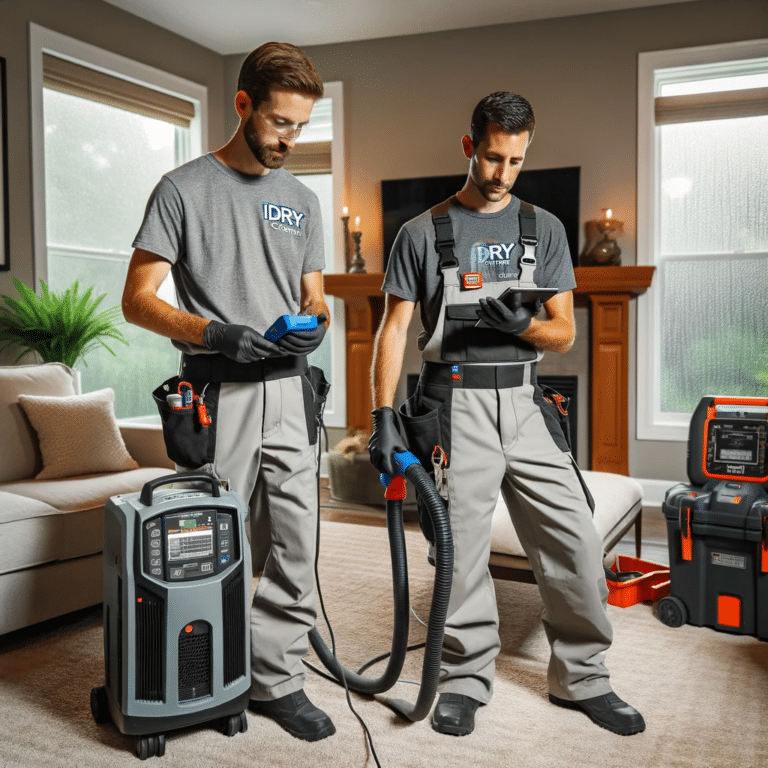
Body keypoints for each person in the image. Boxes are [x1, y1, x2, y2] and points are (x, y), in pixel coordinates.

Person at [369, 92, 645, 738]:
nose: (502, 174)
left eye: (515, 162)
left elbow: (564, 335)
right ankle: (465, 678)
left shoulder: (542, 228)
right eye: (493, 158)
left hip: (523, 402)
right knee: (460, 551)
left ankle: (583, 678)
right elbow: (393, 328)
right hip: (453, 403)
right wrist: (382, 415)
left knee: (573, 538)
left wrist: (522, 324)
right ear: (470, 147)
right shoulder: (422, 232)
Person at [122, 42, 335, 742]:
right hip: (220, 392)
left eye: (300, 127)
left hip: (289, 390)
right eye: (278, 123)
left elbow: (317, 299)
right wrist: (212, 334)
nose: (288, 140)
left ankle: (277, 679)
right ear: (242, 104)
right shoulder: (182, 189)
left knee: (298, 541)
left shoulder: (302, 200)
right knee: (209, 544)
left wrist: (315, 329)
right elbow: (137, 300)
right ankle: (203, 673)